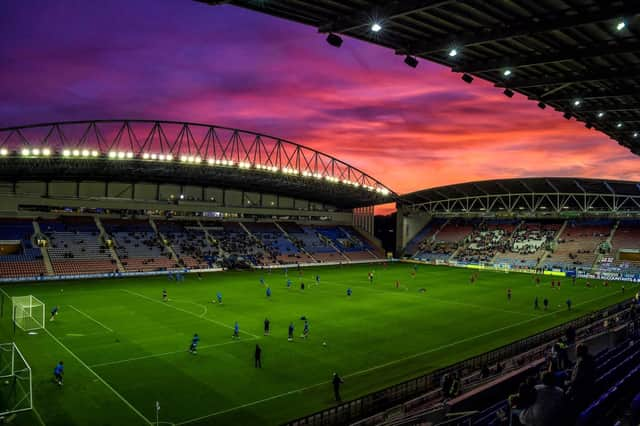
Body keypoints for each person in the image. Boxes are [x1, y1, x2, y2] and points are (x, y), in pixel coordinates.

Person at [567, 344, 595, 410]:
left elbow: (576, 380)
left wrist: (567, 383)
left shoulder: (581, 363)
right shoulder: (589, 358)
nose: (575, 352)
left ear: (580, 352)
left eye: (577, 351)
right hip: (588, 386)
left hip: (580, 390)